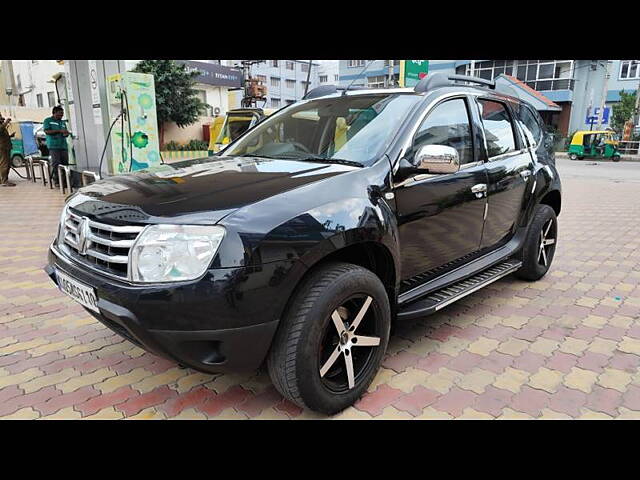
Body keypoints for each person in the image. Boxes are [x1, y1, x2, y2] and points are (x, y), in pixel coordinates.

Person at [43, 106, 70, 187]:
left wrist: (66, 133)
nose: (61, 116)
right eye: (59, 114)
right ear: (54, 113)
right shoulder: (48, 121)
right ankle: (57, 181)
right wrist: (59, 131)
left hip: (63, 146)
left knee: (65, 164)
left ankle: (65, 182)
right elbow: (47, 131)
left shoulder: (62, 122)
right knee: (56, 164)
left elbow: (64, 132)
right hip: (54, 146)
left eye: (62, 115)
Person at [0, 113, 16, 187]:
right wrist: (6, 122)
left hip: (6, 146)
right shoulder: (2, 126)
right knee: (5, 164)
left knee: (6, 163)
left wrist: (10, 136)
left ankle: (3, 179)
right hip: (3, 148)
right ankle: (4, 180)